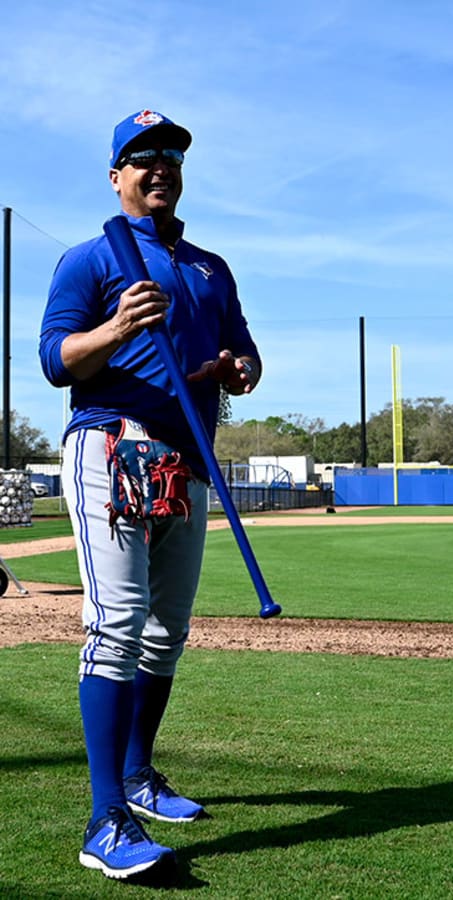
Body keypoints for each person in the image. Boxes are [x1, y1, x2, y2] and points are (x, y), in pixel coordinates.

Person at [39, 109, 262, 882]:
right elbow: (55, 359)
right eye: (141, 156)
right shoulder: (91, 259)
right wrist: (116, 329)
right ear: (116, 173)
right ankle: (107, 819)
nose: (158, 164)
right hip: (113, 442)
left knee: (168, 631)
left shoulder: (209, 267)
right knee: (118, 622)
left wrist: (233, 370)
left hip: (187, 455)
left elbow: (248, 353)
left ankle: (139, 775)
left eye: (169, 154)